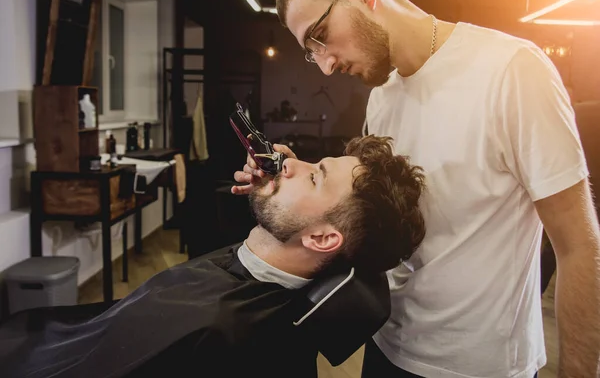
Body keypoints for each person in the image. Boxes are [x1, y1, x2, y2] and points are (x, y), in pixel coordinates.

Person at [232, 0, 600, 377]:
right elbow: (358, 212)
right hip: (388, 346)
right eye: (312, 52)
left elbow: (580, 246)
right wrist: (291, 180)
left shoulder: (512, 71)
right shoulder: (382, 96)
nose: (326, 65)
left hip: (477, 366)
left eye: (321, 36)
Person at [0, 135, 426, 378]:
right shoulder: (261, 275)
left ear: (321, 238)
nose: (289, 163)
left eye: (315, 176)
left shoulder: (223, 335)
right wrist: (274, 192)